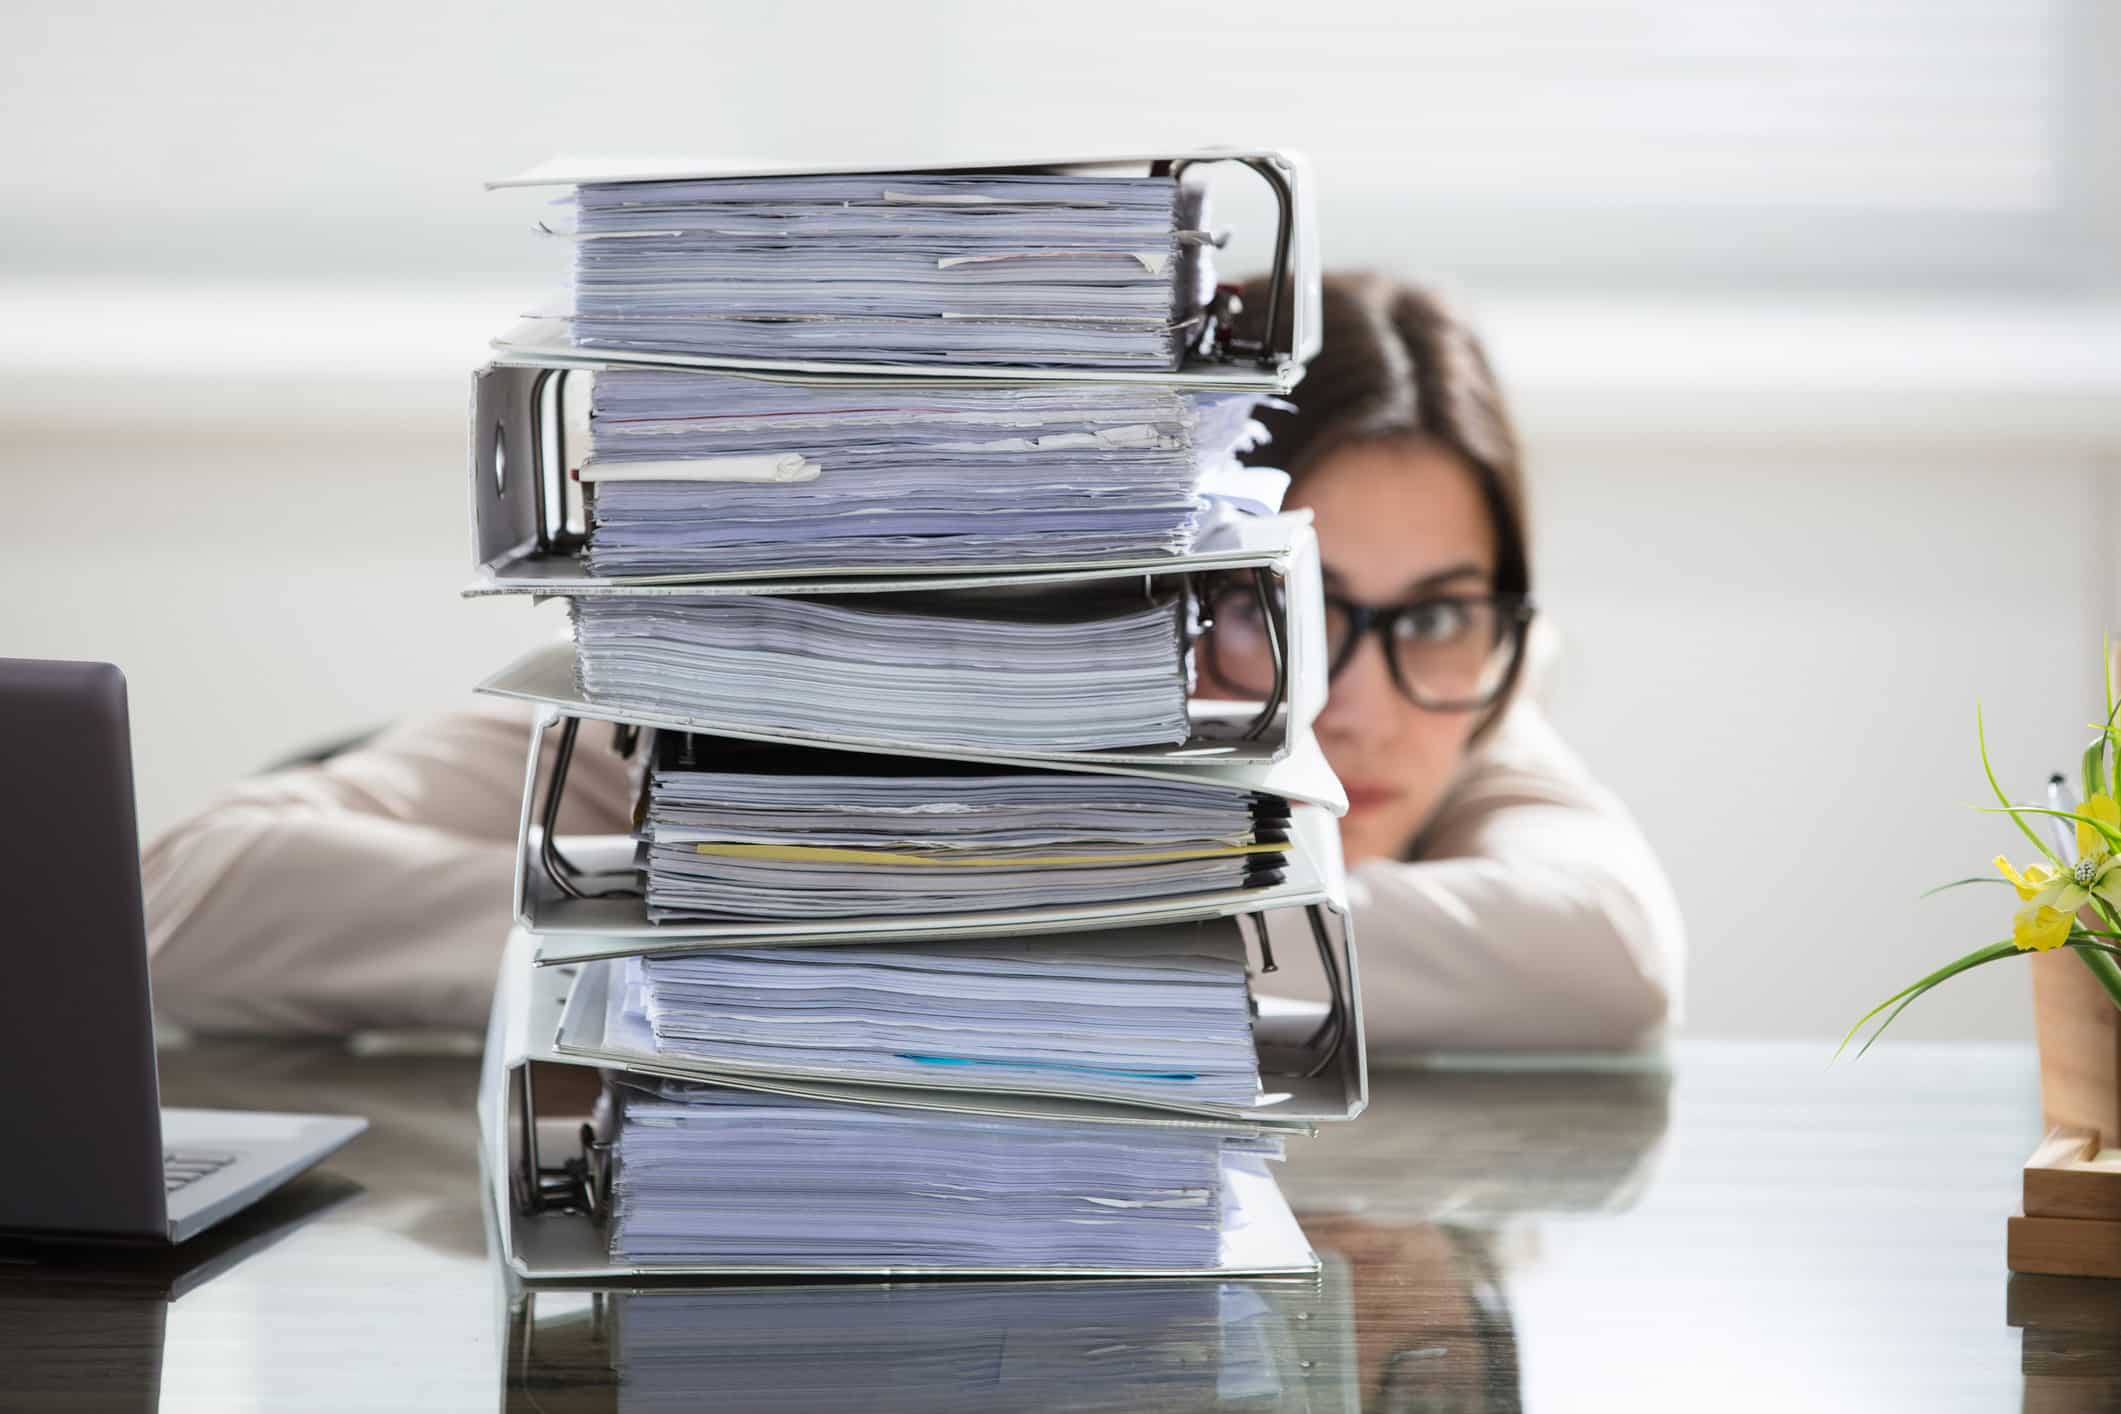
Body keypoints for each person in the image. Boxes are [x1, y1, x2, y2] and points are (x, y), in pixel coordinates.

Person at [141, 273, 1682, 1049]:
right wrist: (798, 883)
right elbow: (189, 900)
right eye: (1280, 603)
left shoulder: (1463, 701)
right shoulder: (805, 681)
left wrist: (906, 935)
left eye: (1436, 612)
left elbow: (1602, 953)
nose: (1353, 696)